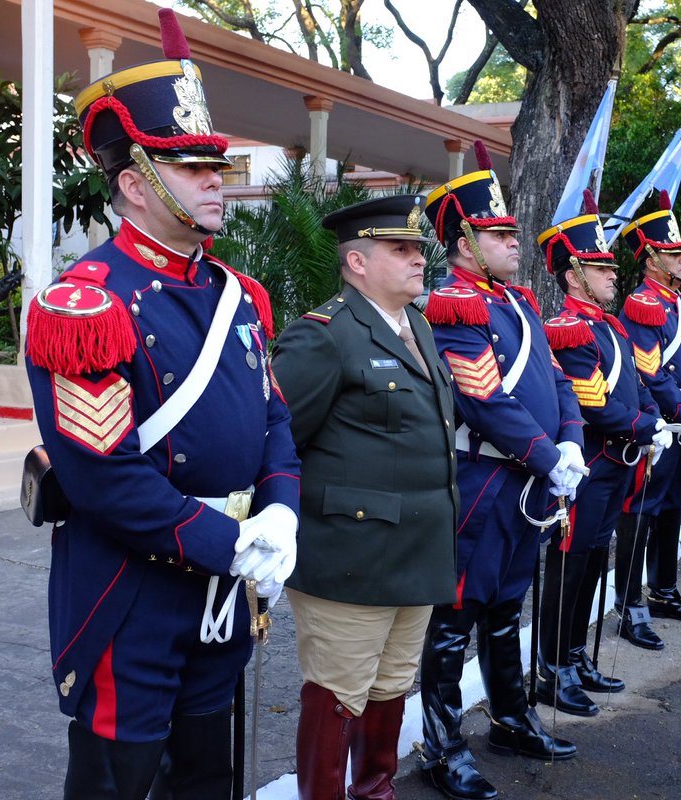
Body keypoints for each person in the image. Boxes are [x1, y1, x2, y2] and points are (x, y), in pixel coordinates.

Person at [23, 10, 300, 798]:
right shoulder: (88, 306)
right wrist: (228, 542)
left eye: (216, 164)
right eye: (192, 167)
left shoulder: (239, 295)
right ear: (135, 184)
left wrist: (281, 512)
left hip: (221, 587)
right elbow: (104, 479)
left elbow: (273, 418)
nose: (217, 179)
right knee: (119, 782)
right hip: (133, 591)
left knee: (209, 776)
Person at [270, 194, 459, 800]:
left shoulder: (416, 326)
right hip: (349, 557)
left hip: (415, 553)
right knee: (338, 694)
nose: (418, 259)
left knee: (391, 686)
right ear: (357, 261)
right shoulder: (324, 335)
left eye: (418, 249)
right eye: (400, 249)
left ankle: (376, 791)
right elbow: (277, 441)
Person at [417, 141, 584, 800]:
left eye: (512, 232)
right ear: (464, 244)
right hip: (484, 483)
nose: (514, 242)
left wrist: (570, 443)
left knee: (508, 606)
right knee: (455, 618)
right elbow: (484, 400)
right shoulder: (455, 305)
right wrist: (547, 455)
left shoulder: (517, 303)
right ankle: (443, 744)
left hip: (530, 483)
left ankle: (512, 718)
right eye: (498, 234)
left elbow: (559, 382)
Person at [535, 191, 675, 714]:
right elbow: (593, 403)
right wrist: (646, 425)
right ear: (574, 276)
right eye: (600, 268)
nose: (614, 274)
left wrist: (653, 418)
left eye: (612, 266)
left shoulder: (609, 327)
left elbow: (636, 387)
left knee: (595, 559)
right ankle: (554, 666)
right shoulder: (570, 330)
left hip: (617, 464)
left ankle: (575, 655)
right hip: (590, 465)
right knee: (570, 565)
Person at [616, 191, 681, 639]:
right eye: (673, 253)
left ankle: (663, 589)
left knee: (673, 505)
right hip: (660, 426)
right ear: (652, 259)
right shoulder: (643, 304)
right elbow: (649, 371)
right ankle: (630, 604)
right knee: (642, 510)